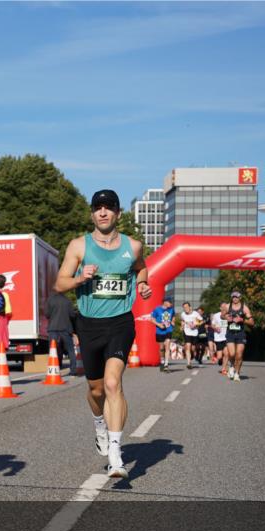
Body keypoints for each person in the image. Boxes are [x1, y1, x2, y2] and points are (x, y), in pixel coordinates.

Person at [55, 189, 151, 480]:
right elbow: (60, 284)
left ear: (118, 213)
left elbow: (141, 269)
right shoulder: (78, 247)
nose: (103, 212)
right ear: (92, 214)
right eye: (98, 207)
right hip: (89, 324)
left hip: (120, 323)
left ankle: (115, 453)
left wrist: (143, 285)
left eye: (109, 207)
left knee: (112, 384)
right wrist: (81, 278)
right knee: (96, 390)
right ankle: (99, 423)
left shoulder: (133, 246)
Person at [224, 290, 253, 382]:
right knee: (232, 354)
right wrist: (226, 318)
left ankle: (237, 374)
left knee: (239, 355)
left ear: (240, 298)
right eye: (233, 297)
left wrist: (242, 320)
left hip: (241, 334)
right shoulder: (227, 306)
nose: (235, 299)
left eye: (236, 297)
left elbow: (252, 322)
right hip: (230, 333)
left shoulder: (245, 308)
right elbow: (222, 315)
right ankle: (231, 366)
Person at [45, 290, 76, 376]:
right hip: (66, 328)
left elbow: (47, 314)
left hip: (53, 328)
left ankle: (55, 369)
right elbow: (72, 315)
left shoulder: (50, 300)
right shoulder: (68, 301)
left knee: (53, 350)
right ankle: (73, 370)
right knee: (70, 350)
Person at [151, 298, 175, 372]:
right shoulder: (157, 309)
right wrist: (159, 324)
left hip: (168, 330)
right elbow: (152, 319)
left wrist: (173, 322)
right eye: (170, 302)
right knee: (161, 348)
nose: (171, 304)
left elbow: (173, 316)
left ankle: (166, 365)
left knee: (167, 346)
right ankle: (162, 361)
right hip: (160, 331)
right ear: (165, 302)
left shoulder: (171, 309)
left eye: (171, 303)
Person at [179, 302, 202, 370]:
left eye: (186, 307)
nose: (185, 309)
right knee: (188, 346)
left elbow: (201, 321)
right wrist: (182, 326)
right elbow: (182, 321)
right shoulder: (183, 314)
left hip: (194, 332)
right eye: (184, 307)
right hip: (187, 332)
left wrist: (196, 324)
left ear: (190, 307)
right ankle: (189, 363)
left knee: (193, 348)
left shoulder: (195, 314)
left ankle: (193, 354)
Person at [211, 303, 230, 375]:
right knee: (219, 356)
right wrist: (215, 328)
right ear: (220, 308)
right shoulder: (216, 315)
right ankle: (219, 359)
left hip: (226, 337)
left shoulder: (229, 315)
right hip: (218, 337)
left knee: (226, 354)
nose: (224, 308)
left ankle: (224, 369)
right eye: (223, 307)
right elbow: (212, 325)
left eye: (226, 306)